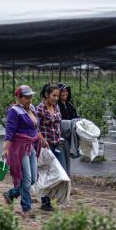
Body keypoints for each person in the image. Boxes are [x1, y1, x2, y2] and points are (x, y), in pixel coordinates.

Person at [2, 84, 48, 216]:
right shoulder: (14, 111)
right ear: (19, 98)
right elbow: (9, 131)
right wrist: (6, 149)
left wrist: (41, 139)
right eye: (26, 97)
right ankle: (26, 208)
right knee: (26, 178)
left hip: (31, 146)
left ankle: (11, 193)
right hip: (20, 148)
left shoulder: (32, 108)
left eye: (30, 97)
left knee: (33, 178)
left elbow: (35, 128)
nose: (29, 100)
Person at [36, 83, 68, 211]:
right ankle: (45, 202)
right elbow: (35, 128)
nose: (56, 98)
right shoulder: (39, 109)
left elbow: (58, 124)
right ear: (46, 95)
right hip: (46, 147)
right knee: (47, 173)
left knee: (60, 171)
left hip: (57, 144)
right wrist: (42, 139)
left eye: (57, 96)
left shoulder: (56, 107)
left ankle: (56, 197)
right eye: (54, 95)